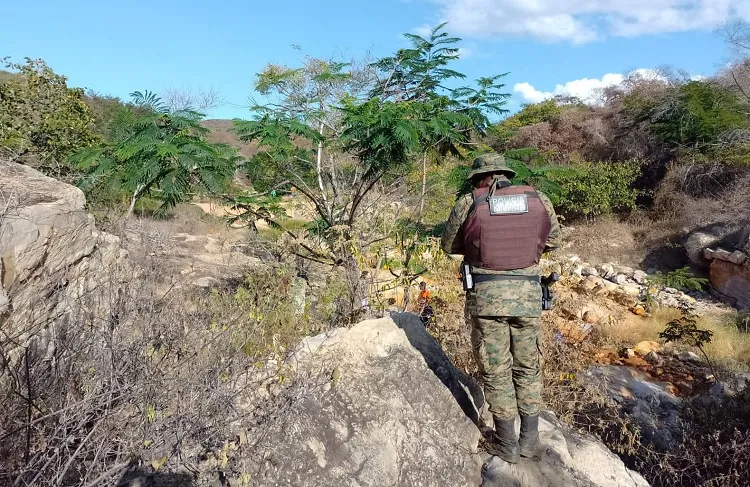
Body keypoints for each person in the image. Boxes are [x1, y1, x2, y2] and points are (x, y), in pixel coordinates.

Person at [440, 153, 561, 464]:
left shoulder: (470, 202)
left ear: (482, 178)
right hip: (528, 300)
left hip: (487, 300)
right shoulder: (539, 198)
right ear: (505, 174)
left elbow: (449, 246)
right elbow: (554, 240)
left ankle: (506, 442)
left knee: (496, 372)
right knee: (528, 368)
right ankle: (530, 441)